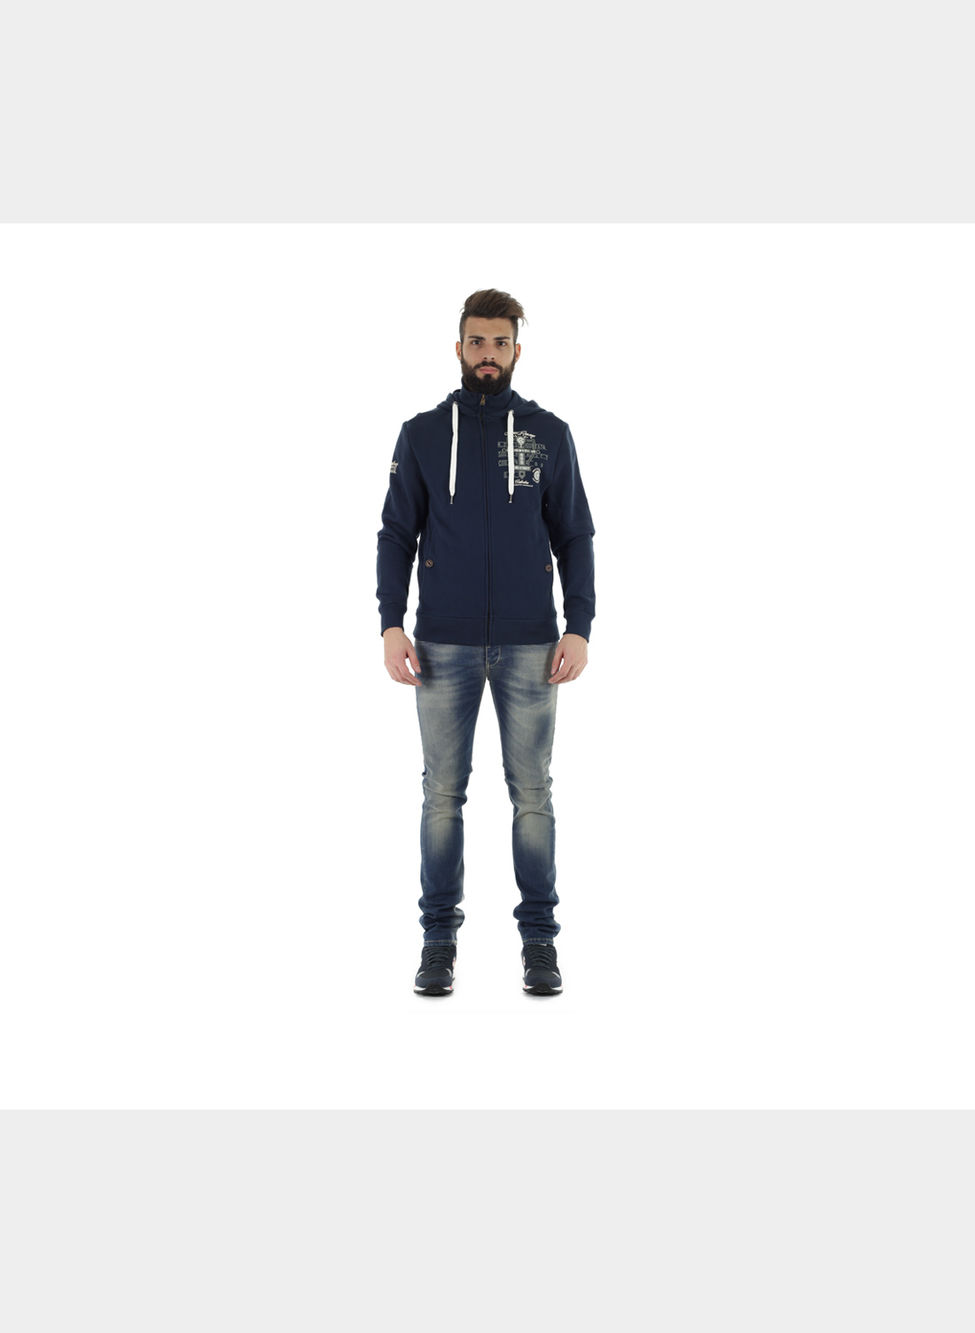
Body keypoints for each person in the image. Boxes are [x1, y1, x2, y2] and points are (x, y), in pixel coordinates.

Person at [376, 289, 596, 997]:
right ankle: (437, 942)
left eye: (500, 343)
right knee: (442, 794)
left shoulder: (548, 433)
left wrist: (578, 626)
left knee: (532, 794)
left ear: (517, 350)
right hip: (442, 645)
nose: (488, 354)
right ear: (459, 348)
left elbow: (575, 535)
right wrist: (390, 623)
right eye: (477, 342)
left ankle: (539, 944)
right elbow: (395, 534)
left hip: (532, 646)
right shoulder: (421, 434)